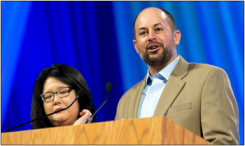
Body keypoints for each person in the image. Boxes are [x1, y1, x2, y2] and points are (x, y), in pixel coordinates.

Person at [115, 7, 239, 145]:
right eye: (143, 33)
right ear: (136, 46)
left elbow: (223, 142)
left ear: (176, 37)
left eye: (158, 29)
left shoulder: (209, 78)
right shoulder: (125, 101)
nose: (151, 37)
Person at [31, 64, 96, 129]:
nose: (56, 100)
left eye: (63, 92)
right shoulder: (32, 139)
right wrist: (75, 131)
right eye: (48, 96)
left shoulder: (102, 136)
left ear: (81, 97)